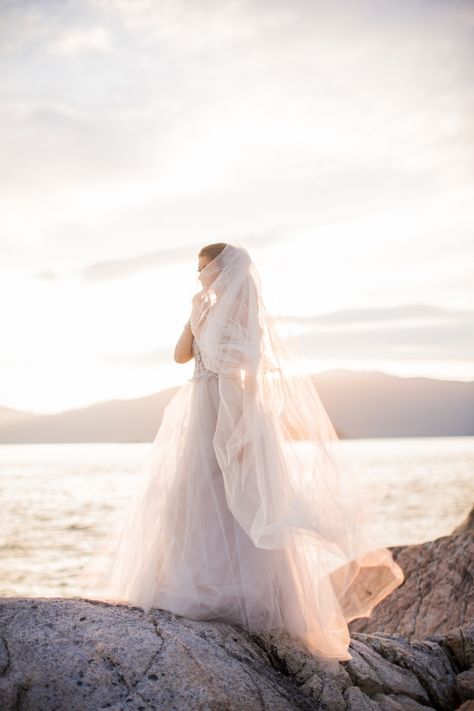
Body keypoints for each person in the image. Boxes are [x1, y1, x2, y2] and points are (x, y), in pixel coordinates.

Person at [76, 241, 404, 661]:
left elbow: (247, 367)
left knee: (235, 496)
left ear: (223, 270)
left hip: (231, 407)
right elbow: (181, 357)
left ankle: (242, 594)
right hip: (197, 408)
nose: (199, 276)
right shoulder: (204, 307)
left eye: (204, 269)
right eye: (198, 270)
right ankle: (189, 581)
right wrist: (192, 317)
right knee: (188, 493)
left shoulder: (245, 312)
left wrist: (243, 423)